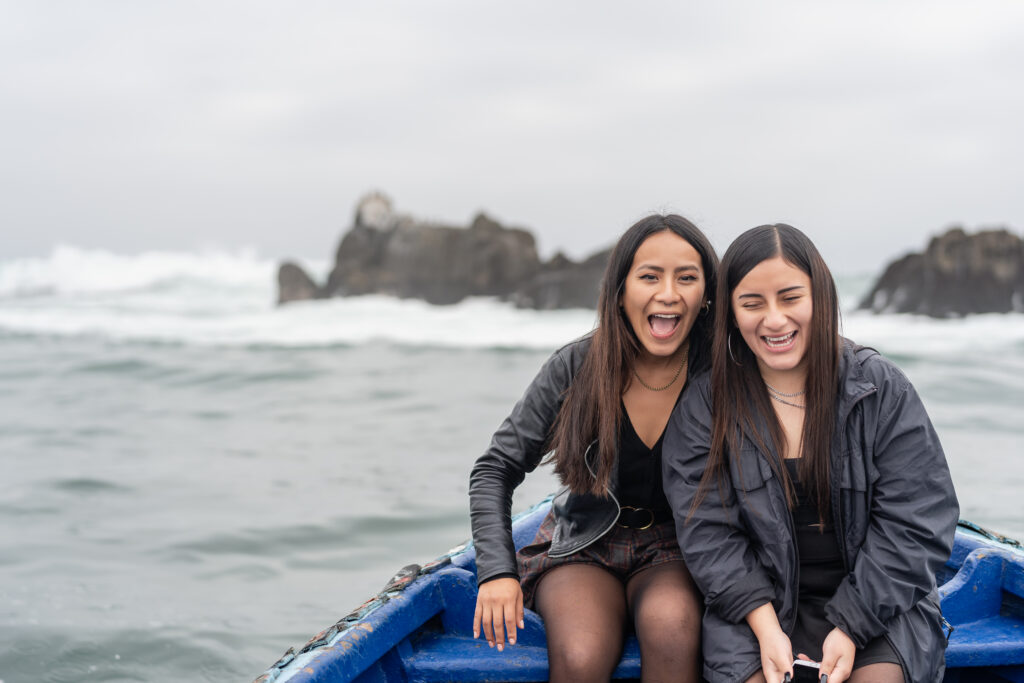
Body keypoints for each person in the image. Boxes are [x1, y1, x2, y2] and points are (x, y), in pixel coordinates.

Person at [663, 224, 958, 683]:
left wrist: (851, 626)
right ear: (730, 313)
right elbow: (708, 535)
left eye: (790, 297)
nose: (774, 319)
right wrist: (764, 626)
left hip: (879, 606)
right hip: (756, 610)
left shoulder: (879, 388)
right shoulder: (706, 404)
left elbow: (917, 523)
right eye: (752, 303)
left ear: (819, 297)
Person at [469, 214, 719, 682]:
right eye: (649, 276)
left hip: (679, 548)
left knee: (672, 629)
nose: (668, 293)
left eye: (686, 277)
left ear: (706, 294)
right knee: (581, 655)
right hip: (585, 541)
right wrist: (496, 573)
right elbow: (495, 468)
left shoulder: (723, 371)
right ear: (621, 289)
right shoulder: (576, 365)